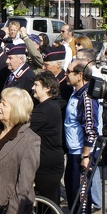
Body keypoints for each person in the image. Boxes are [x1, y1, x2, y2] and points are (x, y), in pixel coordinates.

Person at [64, 59, 100, 214]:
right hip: (73, 151)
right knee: (71, 187)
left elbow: (91, 129)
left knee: (81, 190)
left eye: (69, 71)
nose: (66, 74)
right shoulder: (75, 93)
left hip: (82, 152)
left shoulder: (87, 97)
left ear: (80, 75)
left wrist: (86, 155)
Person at [30, 71, 65, 205]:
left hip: (47, 165)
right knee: (47, 205)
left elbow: (23, 127)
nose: (33, 88)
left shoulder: (45, 109)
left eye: (36, 85)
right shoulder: (52, 104)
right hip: (51, 162)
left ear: (47, 88)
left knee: (48, 205)